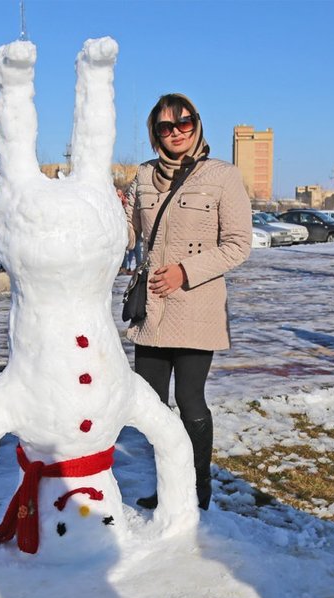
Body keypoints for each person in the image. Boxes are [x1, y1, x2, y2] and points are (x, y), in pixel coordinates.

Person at [125, 93, 251, 511]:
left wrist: (185, 270)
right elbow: (126, 233)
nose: (175, 132)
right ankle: (168, 486)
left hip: (196, 307)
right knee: (151, 406)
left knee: (191, 400)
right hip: (151, 313)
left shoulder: (222, 175)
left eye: (183, 123)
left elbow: (238, 245)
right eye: (165, 126)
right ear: (154, 133)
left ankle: (197, 490)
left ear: (196, 124)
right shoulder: (142, 177)